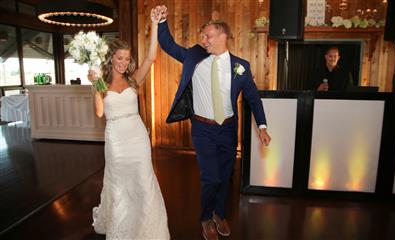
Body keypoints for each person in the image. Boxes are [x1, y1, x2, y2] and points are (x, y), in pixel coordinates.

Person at [155, 5, 271, 240]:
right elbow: (168, 45)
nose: (204, 39)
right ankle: (206, 218)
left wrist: (262, 127)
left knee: (225, 176)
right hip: (202, 129)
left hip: (228, 129)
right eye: (203, 36)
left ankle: (219, 213)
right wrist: (161, 22)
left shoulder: (241, 66)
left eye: (208, 35)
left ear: (223, 36)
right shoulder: (194, 57)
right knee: (211, 178)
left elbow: (253, 98)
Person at [88, 8, 170, 240]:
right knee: (120, 184)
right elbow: (100, 112)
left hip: (137, 136)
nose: (124, 62)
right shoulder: (102, 83)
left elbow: (151, 57)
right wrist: (95, 87)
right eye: (119, 58)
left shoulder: (134, 80)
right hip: (116, 139)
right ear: (111, 58)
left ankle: (146, 229)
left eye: (127, 58)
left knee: (143, 179)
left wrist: (155, 25)